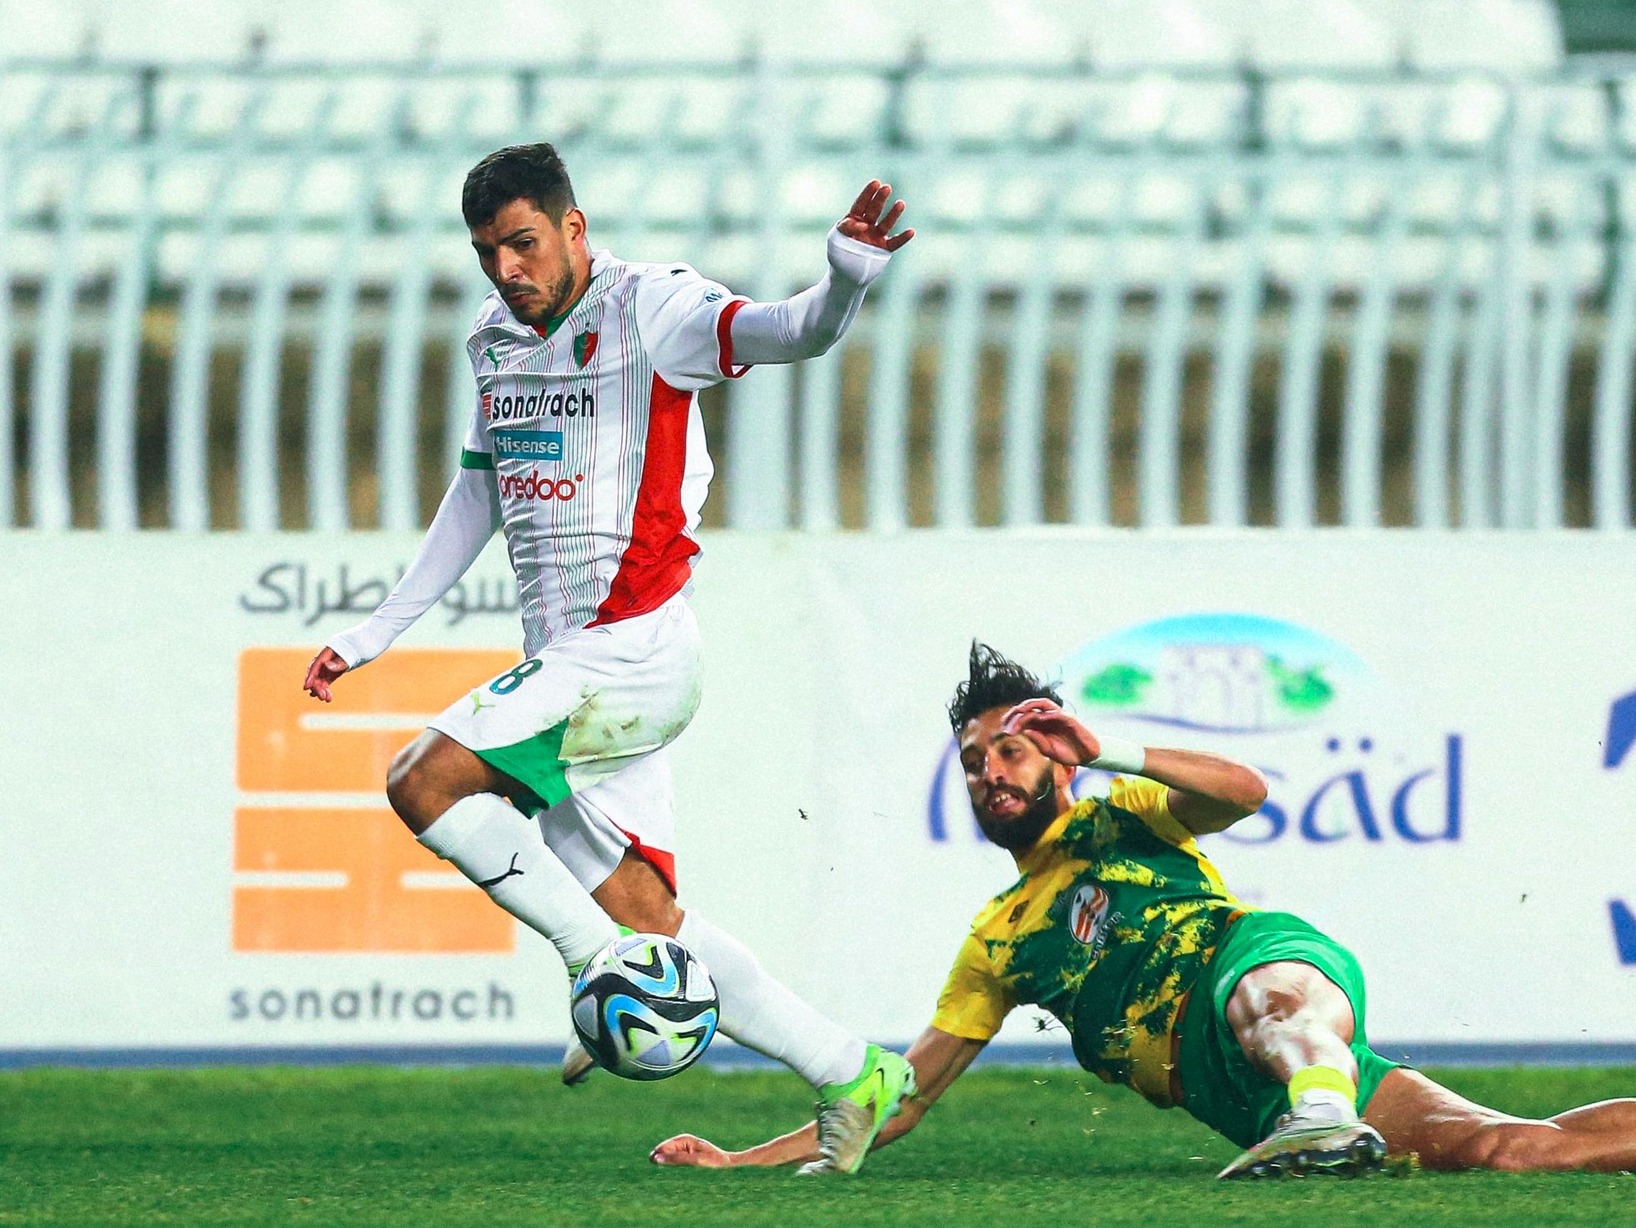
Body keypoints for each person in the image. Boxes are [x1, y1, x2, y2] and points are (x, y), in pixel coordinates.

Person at [302, 143, 914, 1174]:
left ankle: (599, 979)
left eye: (525, 243)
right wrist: (374, 632)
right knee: (648, 918)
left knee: (426, 778)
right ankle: (851, 1068)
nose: (507, 268)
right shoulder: (494, 342)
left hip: (632, 648)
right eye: (488, 251)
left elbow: (787, 333)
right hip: (576, 670)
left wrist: (842, 283)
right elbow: (478, 492)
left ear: (574, 229)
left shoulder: (654, 310)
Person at [650, 643, 1636, 1178]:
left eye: (1008, 749)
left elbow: (1244, 790)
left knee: (1270, 999)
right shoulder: (996, 943)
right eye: (971, 762)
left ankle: (1323, 1115)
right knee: (1510, 1150)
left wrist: (1111, 743)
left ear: (1058, 754)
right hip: (1250, 1099)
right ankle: (1318, 1116)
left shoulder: (1120, 815)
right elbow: (895, 1100)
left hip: (1258, 969)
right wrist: (743, 1158)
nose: (988, 772)